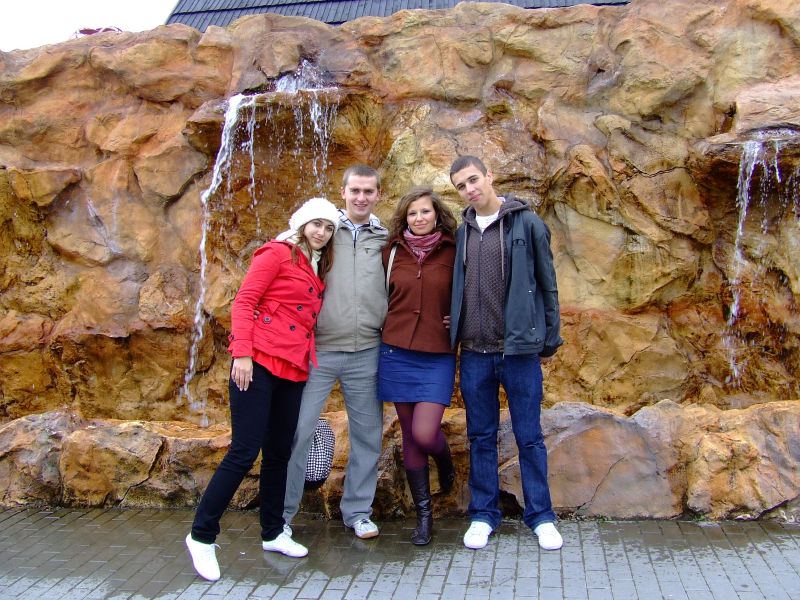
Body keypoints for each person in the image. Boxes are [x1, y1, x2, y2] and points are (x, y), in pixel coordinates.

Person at [185, 197, 341, 581]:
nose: (322, 232)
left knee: (278, 454)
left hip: (294, 367)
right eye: (316, 224)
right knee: (243, 451)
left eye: (329, 227)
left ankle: (272, 532)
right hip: (257, 363)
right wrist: (242, 353)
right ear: (302, 223)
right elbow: (245, 301)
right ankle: (201, 535)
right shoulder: (277, 253)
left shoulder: (316, 263)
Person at [448, 155, 564, 551]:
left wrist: (549, 339)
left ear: (489, 176)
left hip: (518, 353)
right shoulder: (462, 231)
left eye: (473, 180)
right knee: (480, 436)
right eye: (461, 186)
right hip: (474, 353)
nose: (469, 189)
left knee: (529, 436)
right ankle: (483, 514)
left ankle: (542, 516)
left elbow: (547, 283)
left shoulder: (526, 223)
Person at [283, 165, 388, 541]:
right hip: (320, 350)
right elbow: (285, 251)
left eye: (368, 191)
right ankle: (282, 515)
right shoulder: (324, 229)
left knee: (368, 436)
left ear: (378, 194)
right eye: (354, 190)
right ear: (343, 192)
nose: (361, 197)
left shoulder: (384, 237)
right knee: (297, 431)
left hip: (367, 350)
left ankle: (358, 512)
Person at [378, 186, 458, 545]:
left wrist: (459, 319)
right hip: (396, 351)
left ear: (437, 214)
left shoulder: (454, 250)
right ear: (404, 218)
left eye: (425, 211)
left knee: (426, 434)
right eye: (412, 213)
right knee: (411, 435)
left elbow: (469, 292)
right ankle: (424, 517)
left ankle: (444, 459)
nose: (419, 218)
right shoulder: (391, 252)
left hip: (437, 353)